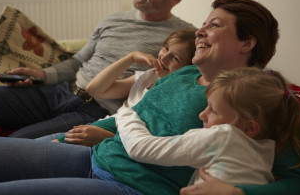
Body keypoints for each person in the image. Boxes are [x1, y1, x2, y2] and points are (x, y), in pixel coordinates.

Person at [0, 0, 300, 195]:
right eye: (203, 23)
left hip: (133, 185)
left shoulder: (262, 97)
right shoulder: (185, 72)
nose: (200, 30)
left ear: (247, 43)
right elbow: (136, 110)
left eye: (215, 25)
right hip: (96, 153)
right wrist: (75, 135)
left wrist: (238, 194)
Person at [0, 0, 196, 156]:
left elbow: (186, 75)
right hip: (62, 91)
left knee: (12, 146)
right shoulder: (113, 20)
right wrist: (43, 75)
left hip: (95, 110)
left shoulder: (179, 40)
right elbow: (79, 60)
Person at [115, 67, 300, 187]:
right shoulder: (265, 151)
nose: (202, 115)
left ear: (249, 128)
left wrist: (125, 114)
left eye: (213, 110)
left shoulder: (224, 137)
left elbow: (140, 148)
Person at [52, 28, 197, 145]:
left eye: (175, 58)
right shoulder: (149, 76)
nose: (164, 57)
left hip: (113, 138)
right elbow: (95, 89)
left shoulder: (175, 96)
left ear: (188, 69)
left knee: (45, 149)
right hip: (101, 125)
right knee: (37, 145)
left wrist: (107, 137)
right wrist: (131, 58)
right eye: (165, 48)